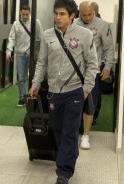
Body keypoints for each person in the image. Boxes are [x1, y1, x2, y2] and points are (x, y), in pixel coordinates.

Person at [29, 0, 98, 183]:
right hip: (53, 92)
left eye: (62, 14)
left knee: (69, 131)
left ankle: (64, 172)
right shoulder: (47, 35)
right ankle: (67, 159)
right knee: (58, 130)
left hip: (75, 91)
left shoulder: (84, 35)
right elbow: (42, 62)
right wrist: (35, 84)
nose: (57, 18)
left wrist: (86, 89)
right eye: (56, 13)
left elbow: (92, 64)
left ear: (72, 15)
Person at [77, 1, 114, 150]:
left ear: (94, 11)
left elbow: (109, 48)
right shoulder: (73, 24)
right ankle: (76, 130)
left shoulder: (103, 25)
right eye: (83, 15)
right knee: (75, 102)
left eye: (89, 14)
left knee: (91, 102)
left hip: (93, 70)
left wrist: (108, 66)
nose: (86, 18)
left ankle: (86, 135)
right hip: (75, 71)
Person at [6, 5, 43, 107]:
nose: (25, 16)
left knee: (33, 77)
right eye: (23, 14)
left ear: (30, 13)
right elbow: (12, 38)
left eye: (27, 14)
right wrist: (9, 50)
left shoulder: (36, 22)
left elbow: (40, 38)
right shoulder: (16, 24)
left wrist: (40, 53)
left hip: (32, 55)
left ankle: (32, 97)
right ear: (20, 13)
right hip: (20, 54)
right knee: (21, 77)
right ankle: (22, 98)